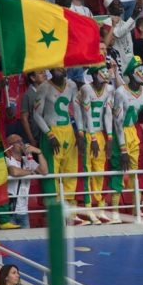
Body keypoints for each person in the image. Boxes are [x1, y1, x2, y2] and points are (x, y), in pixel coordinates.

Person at [33, 67, 83, 224]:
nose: (58, 71)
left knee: (70, 171)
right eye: (54, 68)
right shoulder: (43, 87)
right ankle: (53, 214)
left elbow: (77, 109)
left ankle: (69, 213)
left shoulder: (72, 86)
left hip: (68, 132)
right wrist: (49, 134)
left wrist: (80, 132)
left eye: (61, 67)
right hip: (52, 134)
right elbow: (36, 115)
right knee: (51, 175)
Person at [112, 56, 143, 221]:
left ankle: (137, 210)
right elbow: (117, 123)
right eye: (139, 70)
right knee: (119, 170)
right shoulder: (121, 92)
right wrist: (122, 148)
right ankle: (114, 212)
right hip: (120, 133)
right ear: (130, 73)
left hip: (134, 133)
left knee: (136, 172)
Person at [77, 66, 114, 224]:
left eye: (106, 70)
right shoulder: (86, 89)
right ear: (93, 74)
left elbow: (108, 113)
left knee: (100, 171)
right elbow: (86, 114)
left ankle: (99, 205)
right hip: (87, 133)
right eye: (102, 71)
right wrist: (91, 138)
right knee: (88, 172)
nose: (106, 73)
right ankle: (88, 208)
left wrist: (110, 137)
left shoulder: (110, 89)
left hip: (100, 133)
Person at [1, 134, 47, 228]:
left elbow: (44, 171)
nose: (22, 144)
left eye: (22, 141)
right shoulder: (6, 159)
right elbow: (14, 172)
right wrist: (30, 172)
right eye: (18, 142)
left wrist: (39, 152)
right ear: (10, 146)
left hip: (24, 211)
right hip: (10, 211)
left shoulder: (27, 159)